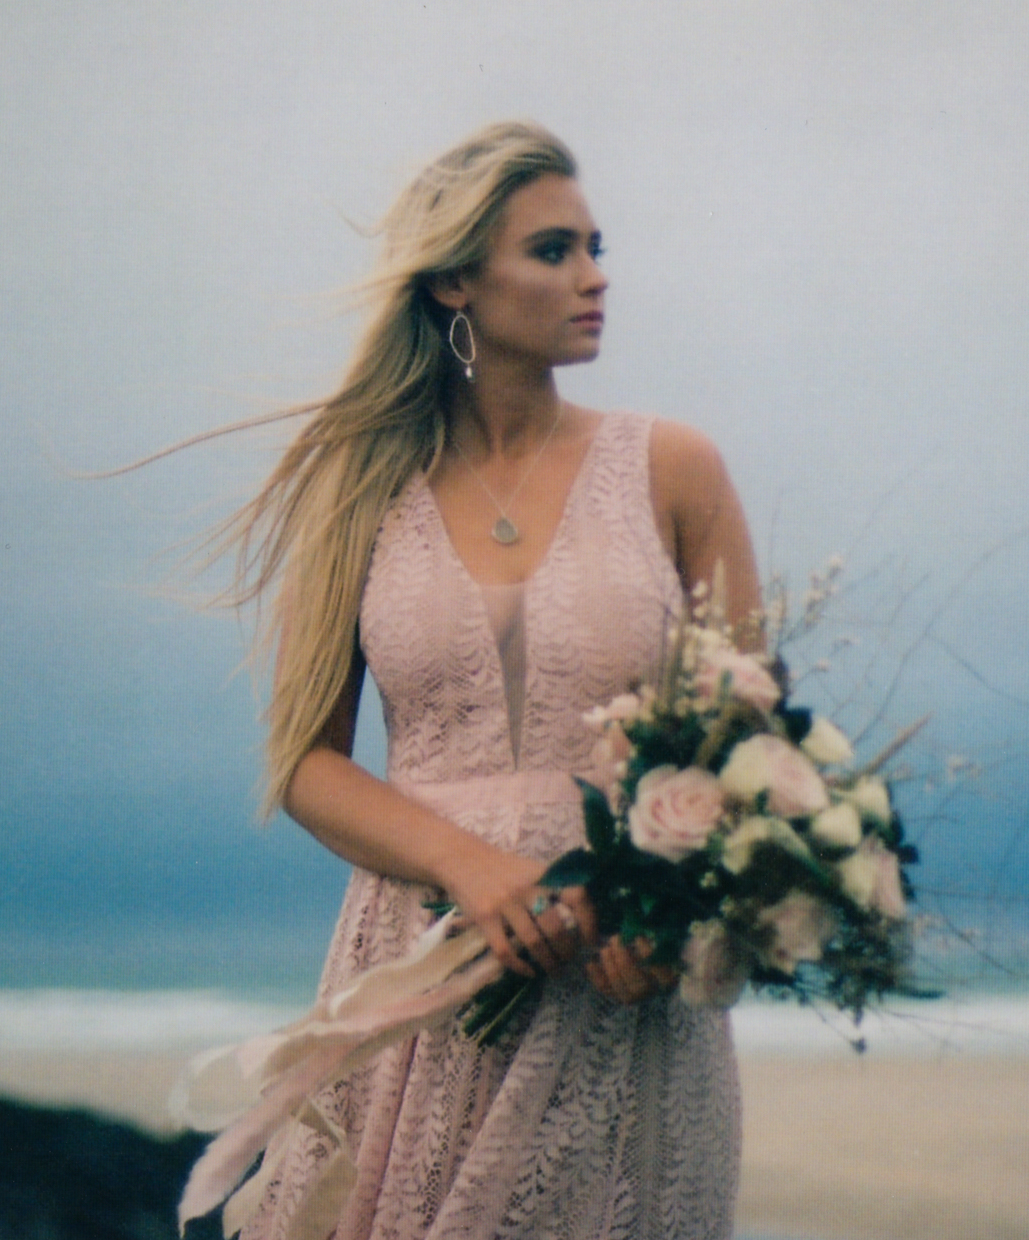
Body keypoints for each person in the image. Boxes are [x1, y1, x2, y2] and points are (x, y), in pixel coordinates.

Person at [211, 121, 762, 1240]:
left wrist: (667, 922)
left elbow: (749, 739)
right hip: (420, 971)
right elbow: (305, 763)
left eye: (595, 247)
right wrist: (468, 867)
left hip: (620, 976)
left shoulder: (674, 467)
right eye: (553, 250)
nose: (594, 277)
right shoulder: (359, 486)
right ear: (457, 278)